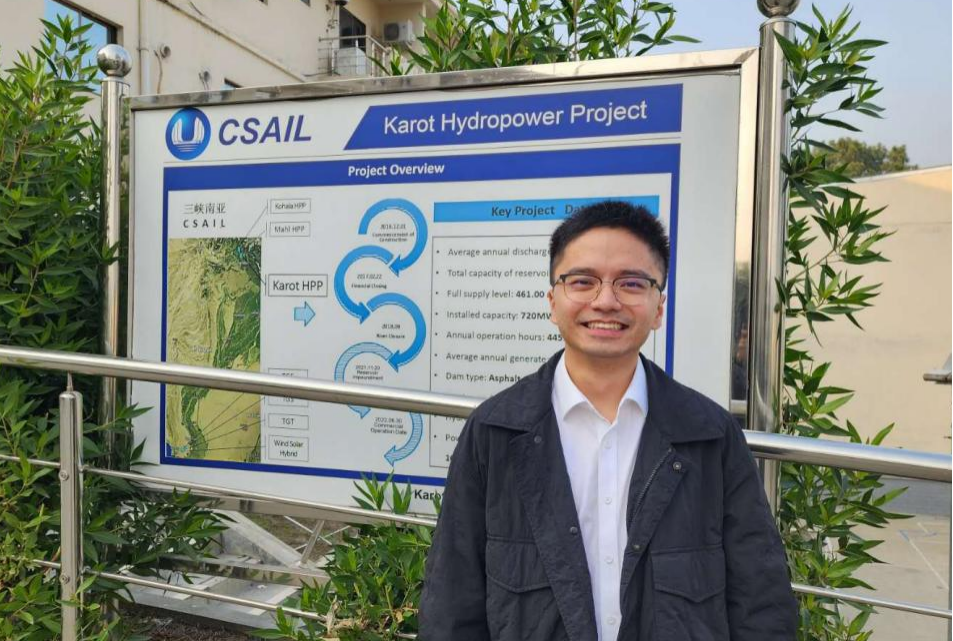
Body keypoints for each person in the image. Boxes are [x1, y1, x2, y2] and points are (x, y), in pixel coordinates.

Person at [419, 200, 797, 641]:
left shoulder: (709, 435)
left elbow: (761, 602)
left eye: (631, 283)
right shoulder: (496, 432)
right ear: (553, 302)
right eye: (583, 281)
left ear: (658, 307)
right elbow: (452, 604)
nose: (605, 301)